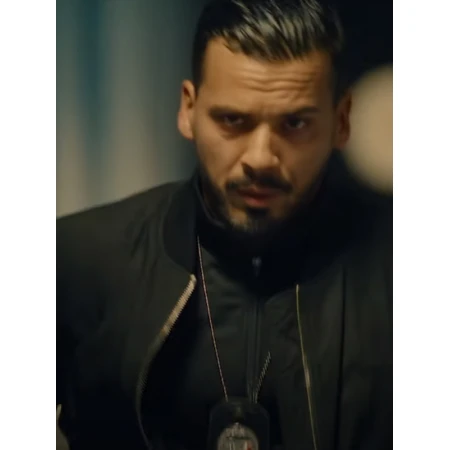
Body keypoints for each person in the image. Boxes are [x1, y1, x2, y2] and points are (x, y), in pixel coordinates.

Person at [56, 0, 392, 449]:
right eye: (233, 121)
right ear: (188, 109)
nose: (261, 158)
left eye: (295, 124)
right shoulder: (76, 261)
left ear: (342, 120)